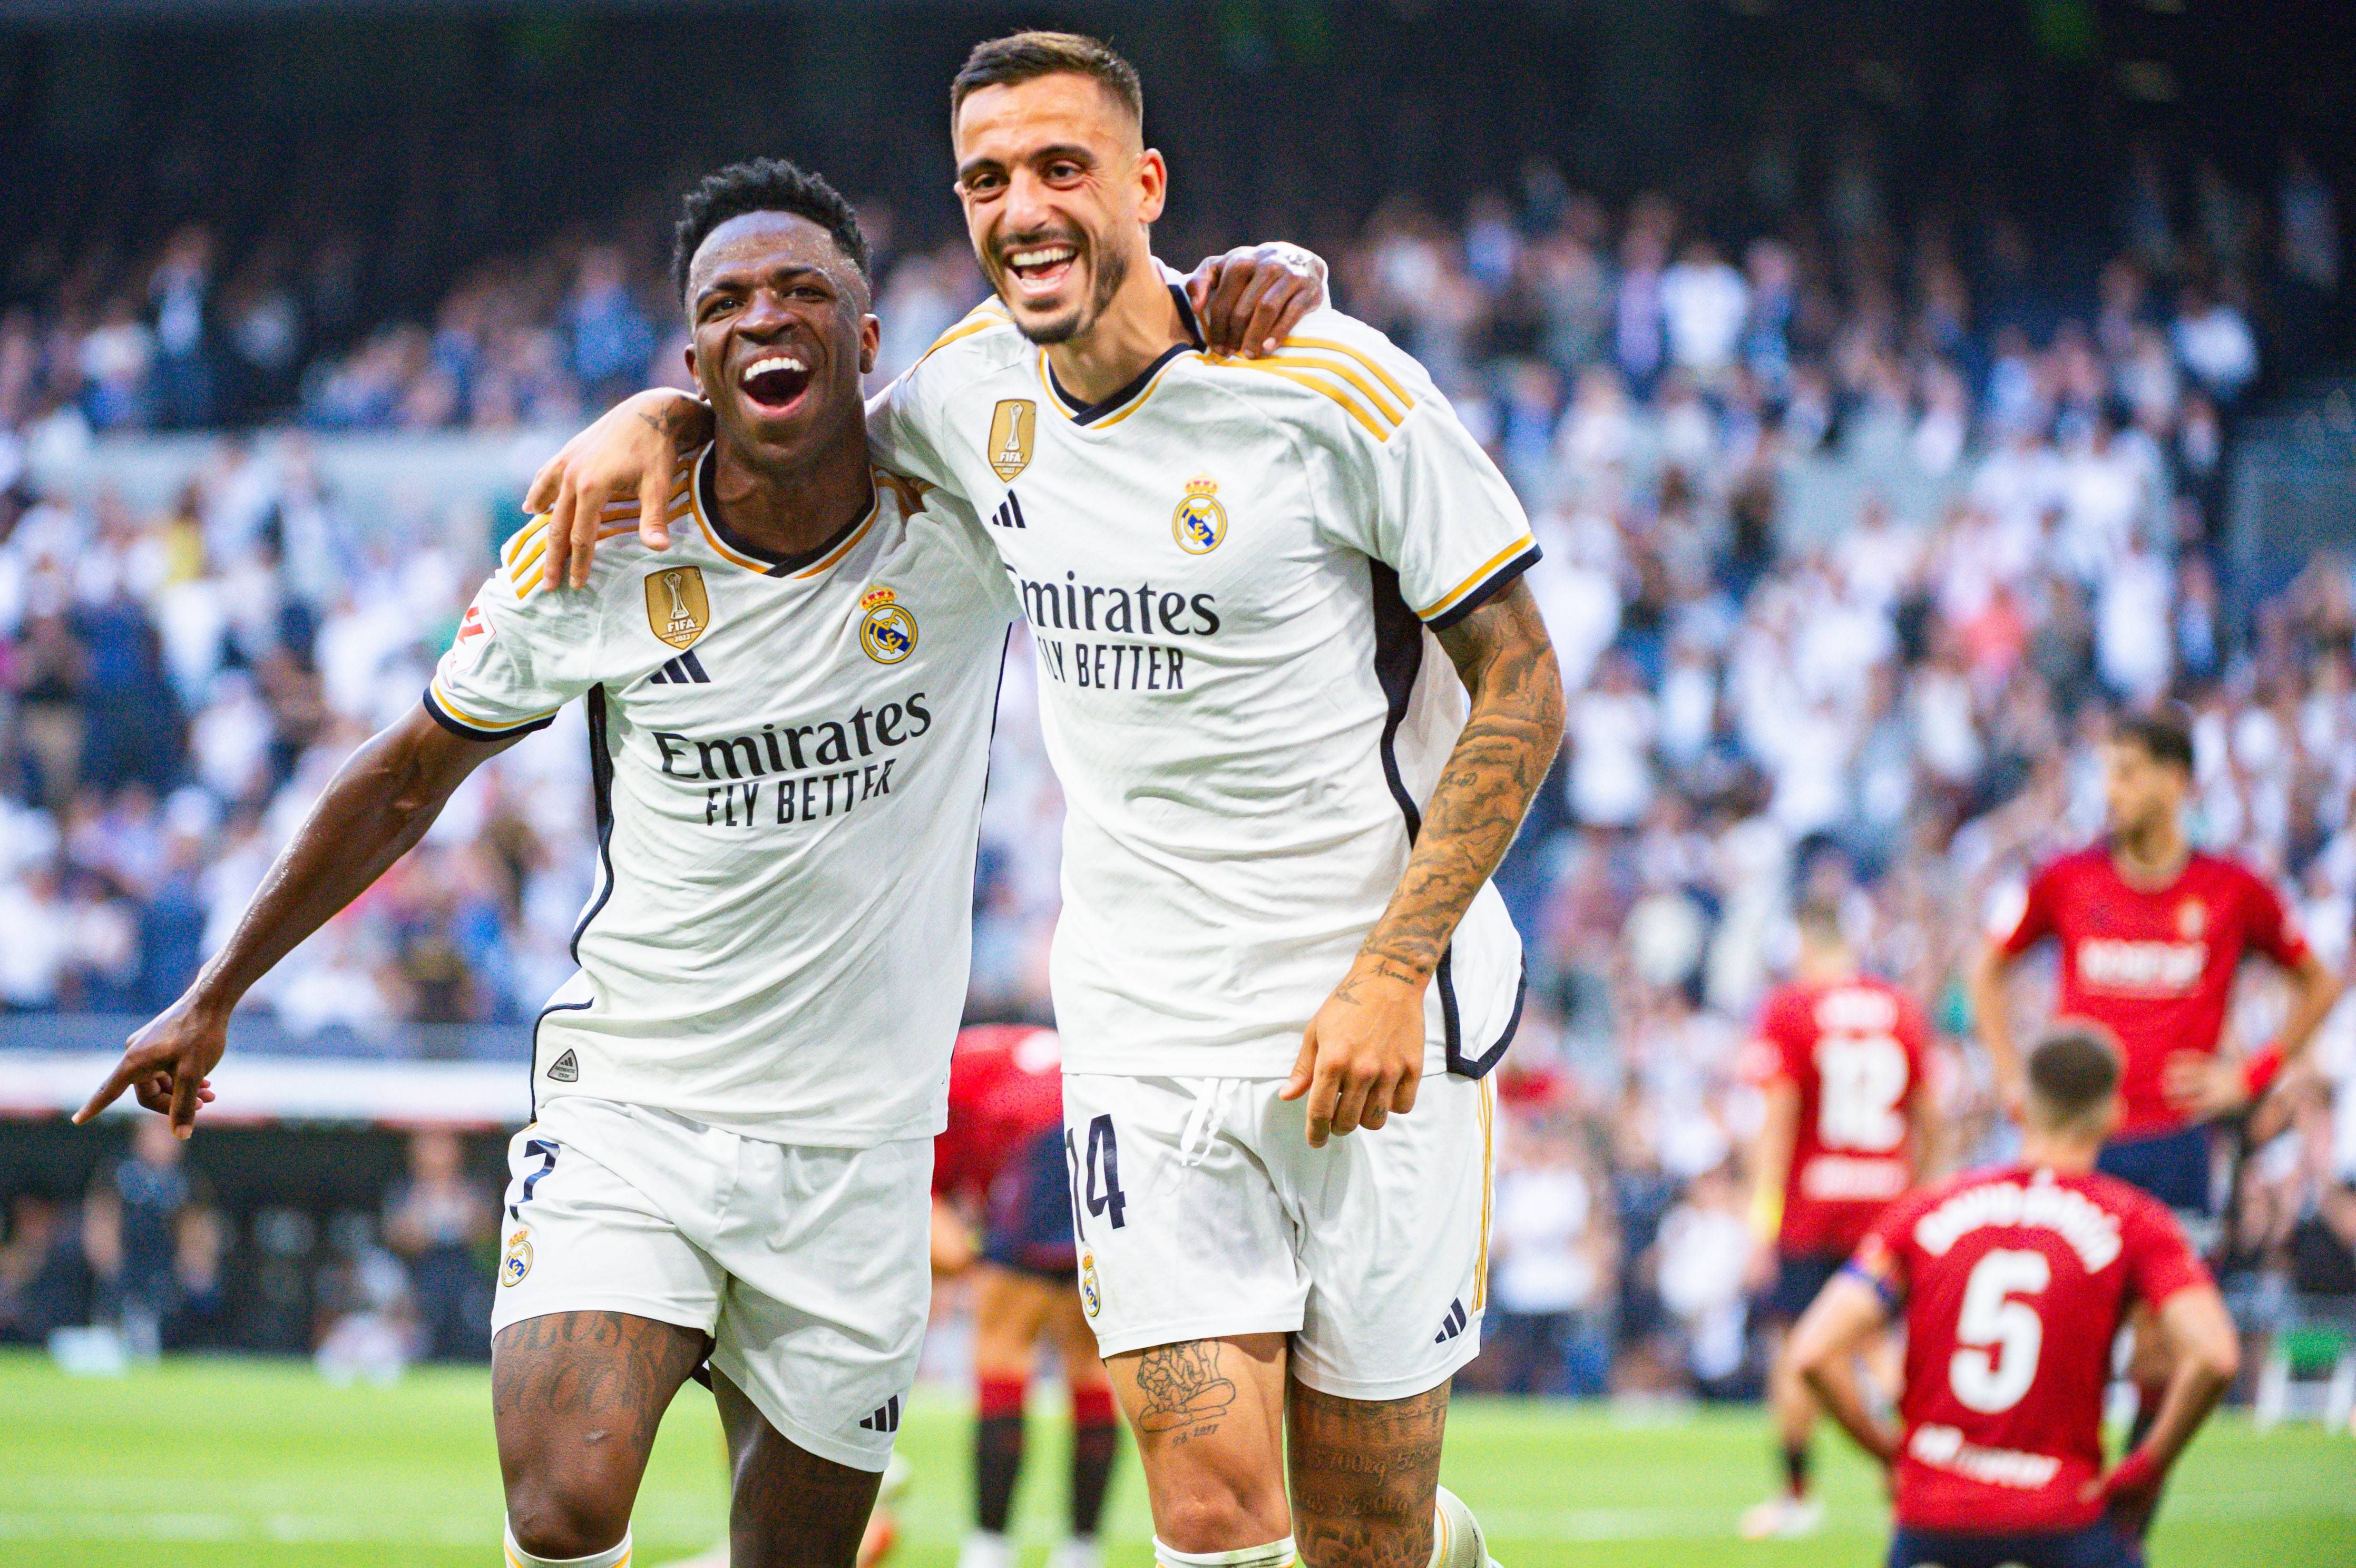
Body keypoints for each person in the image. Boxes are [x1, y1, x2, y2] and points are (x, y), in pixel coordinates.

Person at [74, 159, 1325, 1568]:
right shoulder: (600, 549)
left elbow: (1118, 366)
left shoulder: (968, 513)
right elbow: (409, 770)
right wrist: (214, 988)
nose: (761, 318)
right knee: (564, 1506)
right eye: (724, 304)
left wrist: (1264, 278)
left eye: (802, 291)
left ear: (865, 339)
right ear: (691, 358)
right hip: (638, 1104)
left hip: (860, 1155)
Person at [521, 32, 1567, 1568]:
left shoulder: (1325, 385)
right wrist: (654, 418)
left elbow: (1523, 684)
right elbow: (793, 442)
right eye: (987, 178)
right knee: (1209, 1510)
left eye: (1062, 167)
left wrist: (1388, 971)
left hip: (1379, 1026)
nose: (1022, 207)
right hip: (1142, 1036)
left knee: (1364, 1534)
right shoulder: (967, 400)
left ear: (1145, 184)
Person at [1967, 704, 2340, 1520]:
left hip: (2174, 1142)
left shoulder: (2230, 890)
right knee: (2063, 1325)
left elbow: (2317, 979)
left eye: (2127, 772)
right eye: (2106, 772)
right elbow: (1985, 973)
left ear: (2176, 781)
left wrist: (2255, 1072)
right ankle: (2050, 1494)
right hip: (2072, 1143)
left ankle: (2127, 1513)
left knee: (2161, 1346)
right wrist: (2007, 1075)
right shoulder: (2066, 879)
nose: (2112, 790)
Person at [1786, 1029, 2240, 1568]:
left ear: (2017, 1108)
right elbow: (2214, 1357)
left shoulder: (1925, 1212)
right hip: (2060, 1519)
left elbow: (1812, 1351)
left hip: (1933, 1521)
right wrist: (2147, 1468)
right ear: (2113, 1115)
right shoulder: (2135, 1222)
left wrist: (1890, 1453)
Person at [1738, 900, 1934, 1540]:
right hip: (1887, 1205)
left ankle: (1796, 1496)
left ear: (1804, 943)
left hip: (1811, 1211)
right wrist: (1920, 1196)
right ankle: (1924, 1470)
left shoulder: (1791, 1008)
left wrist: (1760, 1220)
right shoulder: (1901, 1008)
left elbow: (1779, 1119)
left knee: (1797, 1350)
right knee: (1880, 1344)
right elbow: (1928, 1115)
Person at [934, 1024, 1120, 1568]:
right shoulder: (993, 1052)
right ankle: (1082, 1550)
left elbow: (935, 1226)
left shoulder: (940, 1083)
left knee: (1000, 1351)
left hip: (1043, 1143)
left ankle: (989, 1548)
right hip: (1101, 1131)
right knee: (1089, 1367)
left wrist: (973, 1265)